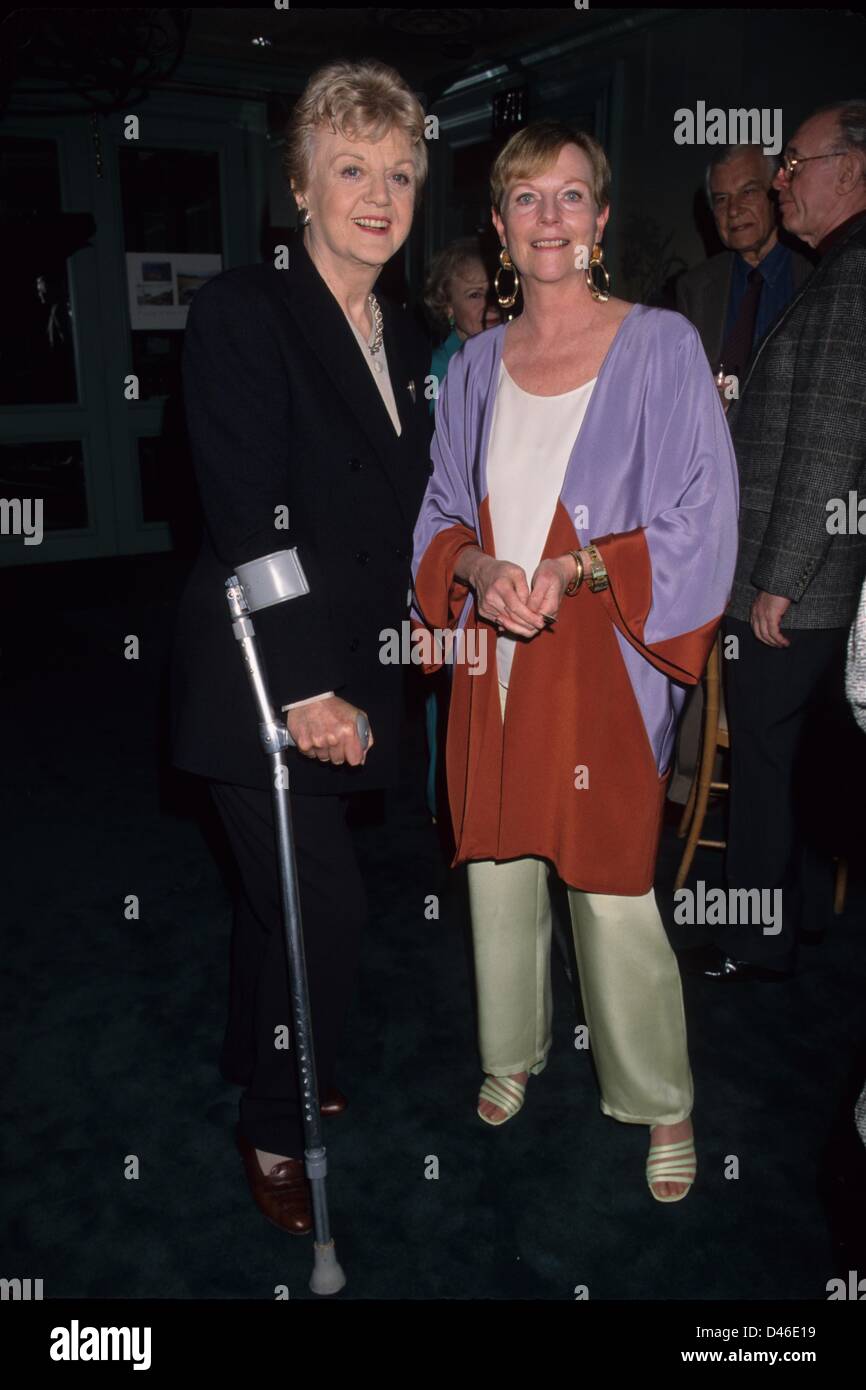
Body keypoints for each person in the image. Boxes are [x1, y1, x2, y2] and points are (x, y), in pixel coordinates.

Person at [412, 119, 739, 1201]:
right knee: (498, 870)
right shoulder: (470, 366)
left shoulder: (659, 346)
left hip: (601, 657)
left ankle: (657, 1097)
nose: (546, 218)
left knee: (608, 885)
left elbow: (703, 514)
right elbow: (440, 511)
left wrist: (580, 568)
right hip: (491, 660)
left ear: (598, 219)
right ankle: (511, 1049)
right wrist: (472, 568)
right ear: (499, 227)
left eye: (567, 197)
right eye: (522, 199)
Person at [169, 59, 432, 1235]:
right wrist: (307, 683)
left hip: (351, 664)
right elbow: (251, 513)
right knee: (320, 910)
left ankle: (255, 1041)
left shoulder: (398, 328)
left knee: (276, 898)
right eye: (349, 170)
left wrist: (430, 609)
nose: (377, 195)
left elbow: (394, 512)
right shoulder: (245, 308)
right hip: (259, 671)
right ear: (300, 190)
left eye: (398, 172)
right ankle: (276, 1119)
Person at [684, 99, 866, 982]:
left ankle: (756, 941)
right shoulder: (838, 269)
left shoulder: (848, 273)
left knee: (760, 757)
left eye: (795, 165)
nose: (782, 183)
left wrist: (780, 580)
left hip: (797, 582)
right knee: (788, 760)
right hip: (806, 575)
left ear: (853, 168)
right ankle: (792, 926)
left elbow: (831, 440)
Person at [669, 144, 814, 807]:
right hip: (704, 515)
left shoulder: (823, 276)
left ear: (778, 191)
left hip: (790, 518)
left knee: (770, 707)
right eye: (721, 201)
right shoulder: (696, 289)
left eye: (748, 193)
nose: (736, 211)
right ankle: (685, 787)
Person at [420, 238, 500, 821]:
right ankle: (450, 809)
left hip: (500, 542)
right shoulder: (445, 368)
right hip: (458, 542)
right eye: (475, 295)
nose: (490, 304)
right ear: (447, 306)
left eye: (496, 290)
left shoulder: (506, 351)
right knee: (452, 687)